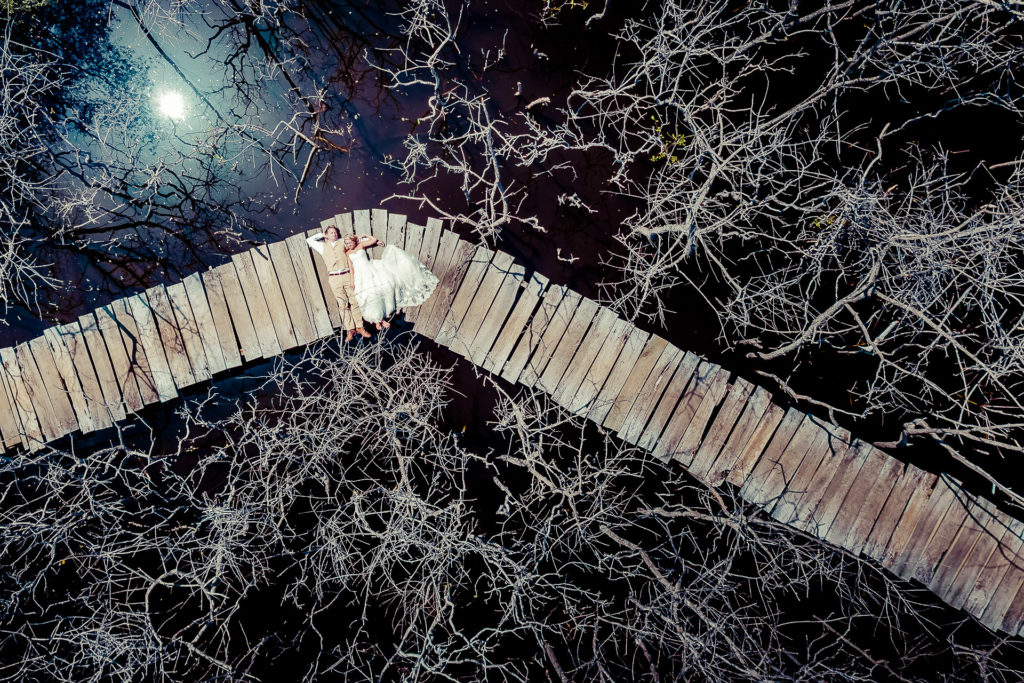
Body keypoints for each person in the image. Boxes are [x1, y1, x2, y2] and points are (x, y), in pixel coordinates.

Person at [343, 233, 438, 329]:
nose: (349, 245)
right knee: (366, 296)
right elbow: (351, 269)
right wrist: (352, 282)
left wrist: (364, 235)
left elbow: (373, 240)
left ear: (354, 241)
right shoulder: (348, 253)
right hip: (360, 276)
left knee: (379, 290)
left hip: (370, 270)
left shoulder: (361, 245)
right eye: (347, 243)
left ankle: (380, 319)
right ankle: (377, 320)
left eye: (350, 242)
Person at [306, 226, 372, 342]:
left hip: (347, 275)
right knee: (342, 304)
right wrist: (322, 235)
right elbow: (309, 240)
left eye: (335, 232)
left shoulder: (343, 242)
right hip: (334, 278)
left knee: (354, 300)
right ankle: (350, 329)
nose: (334, 234)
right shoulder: (322, 246)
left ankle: (360, 326)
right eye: (331, 233)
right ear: (327, 235)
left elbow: (356, 242)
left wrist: (372, 240)